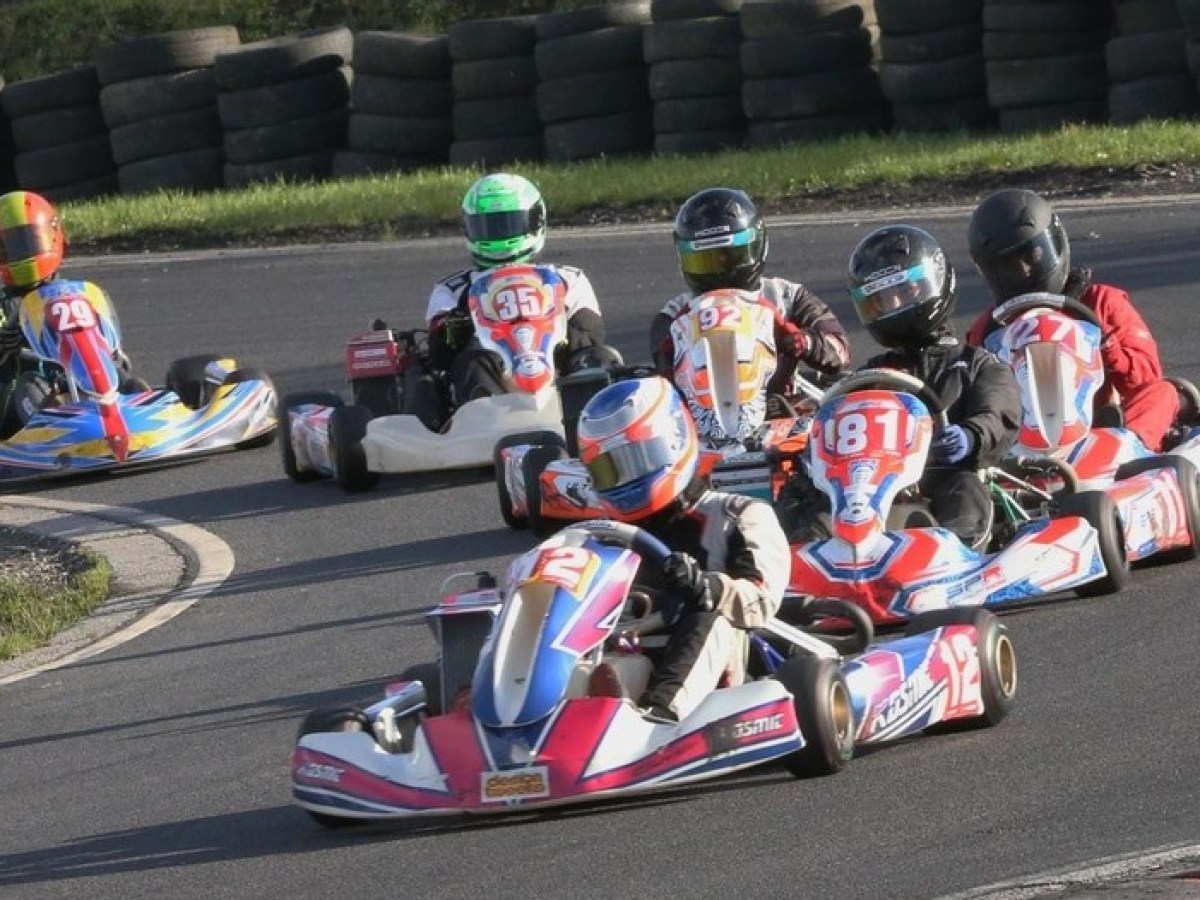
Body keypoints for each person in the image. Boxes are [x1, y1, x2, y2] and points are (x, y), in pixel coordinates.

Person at [781, 224, 1022, 550]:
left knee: (964, 487)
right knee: (813, 505)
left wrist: (971, 436)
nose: (894, 304)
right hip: (869, 492)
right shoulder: (869, 377)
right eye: (881, 300)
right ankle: (804, 563)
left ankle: (957, 556)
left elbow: (999, 413)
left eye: (904, 292)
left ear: (935, 282)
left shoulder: (976, 364)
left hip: (943, 477)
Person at [575, 375, 792, 723]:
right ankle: (521, 720)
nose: (623, 479)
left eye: (636, 460)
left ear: (673, 440)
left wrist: (706, 587)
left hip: (718, 660)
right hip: (624, 646)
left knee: (711, 615)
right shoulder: (602, 535)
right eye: (608, 471)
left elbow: (761, 602)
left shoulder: (738, 514)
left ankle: (659, 717)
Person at [966, 187, 1181, 451]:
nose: (1023, 271)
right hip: (1023, 438)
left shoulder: (1101, 301)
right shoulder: (990, 327)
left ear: (1054, 244)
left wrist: (1105, 346)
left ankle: (1127, 452)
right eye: (1007, 266)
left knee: (1163, 393)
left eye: (1031, 256)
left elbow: (1145, 376)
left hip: (1099, 430)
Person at [415, 172, 614, 427]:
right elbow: (440, 350)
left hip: (556, 366)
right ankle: (486, 426)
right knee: (472, 362)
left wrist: (549, 333)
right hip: (496, 370)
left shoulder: (567, 278)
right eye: (489, 226)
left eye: (508, 224)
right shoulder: (453, 290)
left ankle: (596, 421)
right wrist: (458, 327)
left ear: (535, 221)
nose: (499, 236)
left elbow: (591, 331)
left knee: (597, 356)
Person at [649, 187, 851, 414]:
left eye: (730, 257)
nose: (719, 271)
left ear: (757, 244)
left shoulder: (787, 296)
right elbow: (662, 370)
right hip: (701, 421)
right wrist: (672, 351)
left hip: (779, 416)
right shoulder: (675, 314)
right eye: (705, 261)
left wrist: (801, 341)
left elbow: (839, 352)